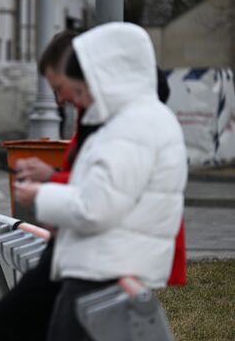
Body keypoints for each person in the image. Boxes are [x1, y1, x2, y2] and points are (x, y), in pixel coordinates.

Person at [13, 22, 187, 339]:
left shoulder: (132, 127)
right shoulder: (138, 120)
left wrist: (41, 195)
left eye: (78, 90)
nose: (77, 101)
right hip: (106, 261)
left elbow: (96, 207)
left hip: (103, 264)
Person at [0, 30, 90, 341]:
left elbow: (100, 194)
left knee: (13, 319)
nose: (59, 99)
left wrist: (43, 193)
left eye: (59, 87)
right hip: (80, 246)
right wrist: (50, 176)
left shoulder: (109, 118)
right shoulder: (94, 114)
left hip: (89, 250)